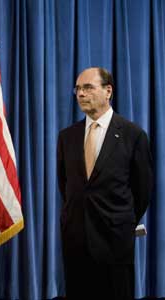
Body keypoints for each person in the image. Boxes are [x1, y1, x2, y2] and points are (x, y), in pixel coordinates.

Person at [57, 67, 153, 299]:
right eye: (78, 89)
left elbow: (143, 191)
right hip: (76, 241)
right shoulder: (67, 137)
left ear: (108, 91)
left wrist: (120, 220)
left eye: (88, 87)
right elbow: (66, 185)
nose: (80, 93)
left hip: (115, 242)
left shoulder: (133, 135)